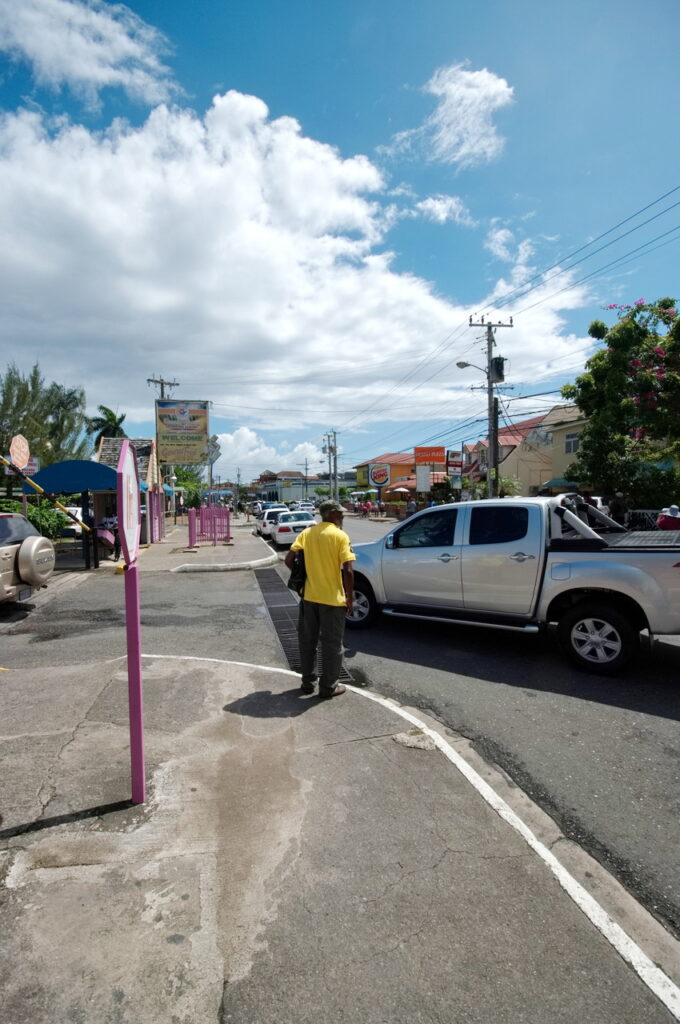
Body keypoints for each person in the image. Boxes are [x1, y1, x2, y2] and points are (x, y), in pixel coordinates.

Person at [284, 499, 356, 699]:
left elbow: (289, 560)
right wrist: (350, 599)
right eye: (340, 513)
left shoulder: (307, 533)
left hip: (309, 597)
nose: (342, 516)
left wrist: (303, 581)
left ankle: (307, 683)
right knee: (332, 644)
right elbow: (348, 571)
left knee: (308, 641)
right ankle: (328, 687)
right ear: (331, 513)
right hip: (332, 600)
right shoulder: (340, 536)